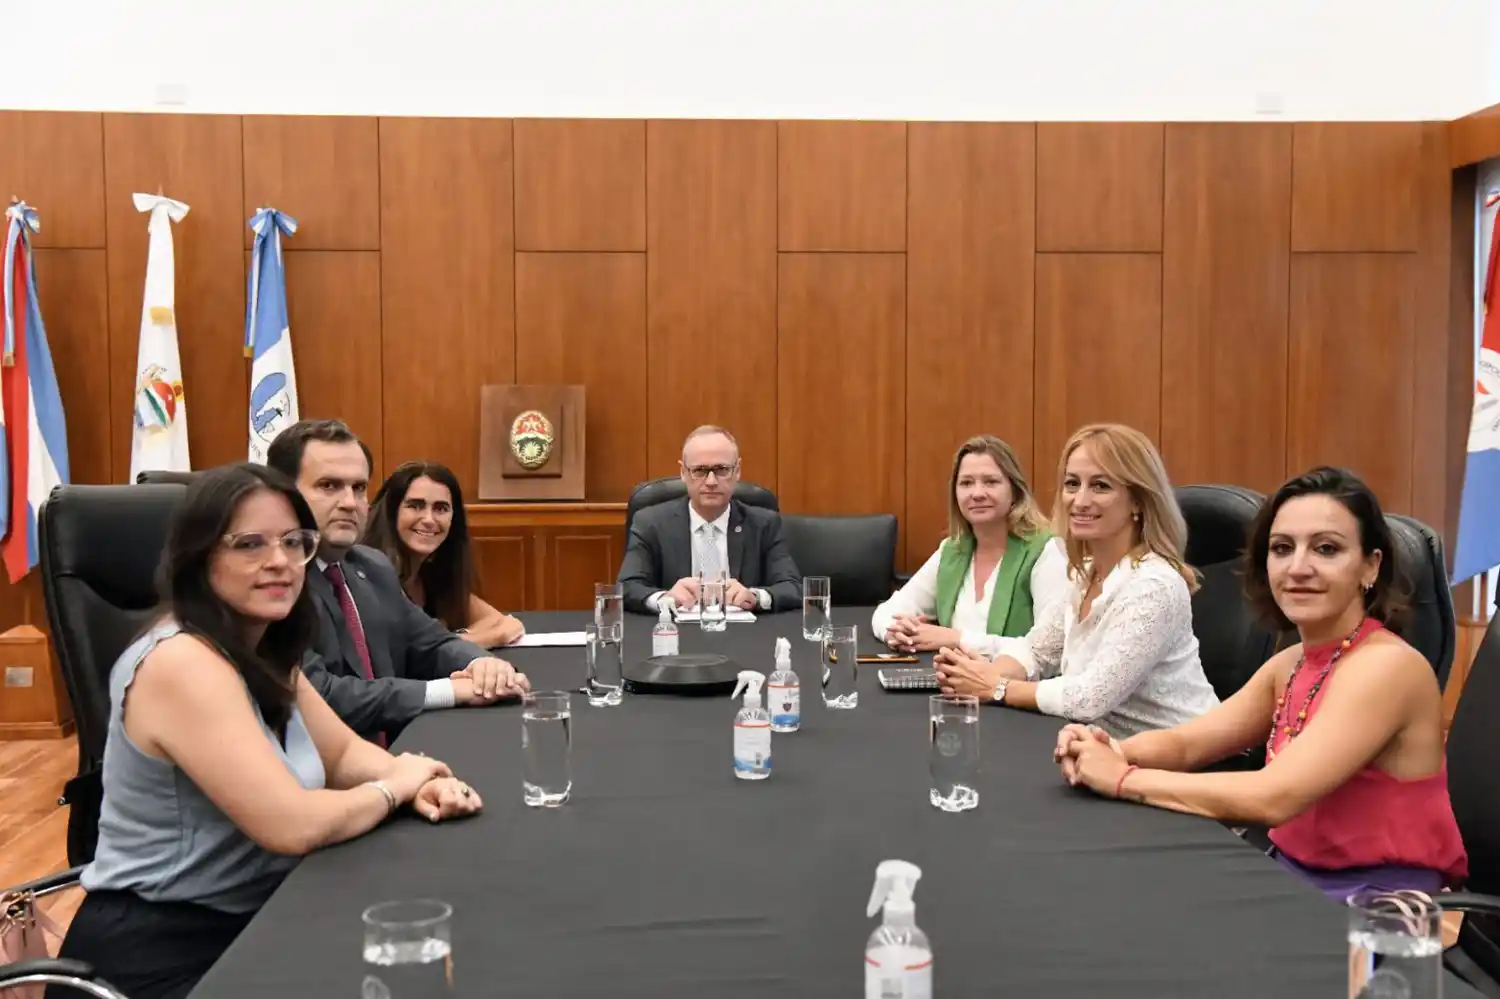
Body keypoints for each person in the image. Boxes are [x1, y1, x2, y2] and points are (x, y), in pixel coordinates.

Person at [53, 464, 483, 999]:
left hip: (259, 918)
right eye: (250, 544)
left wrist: (419, 782)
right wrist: (394, 787)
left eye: (293, 541)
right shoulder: (181, 661)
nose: (279, 561)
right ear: (199, 557)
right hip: (165, 953)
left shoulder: (264, 646)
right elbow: (292, 824)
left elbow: (342, 754)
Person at [1054, 467, 1468, 900]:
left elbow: (1274, 796)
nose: (1298, 567)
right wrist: (1110, 748)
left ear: (1371, 565)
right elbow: (1188, 744)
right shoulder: (1291, 662)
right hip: (1289, 874)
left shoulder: (1387, 668)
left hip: (1378, 905)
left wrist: (1122, 778)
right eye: (1282, 548)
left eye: (1326, 549)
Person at [934, 423, 1219, 737]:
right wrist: (980, 677)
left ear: (1138, 501)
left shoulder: (1154, 586)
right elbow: (1037, 650)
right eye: (1072, 484)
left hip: (1183, 756)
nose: (1080, 500)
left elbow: (1088, 698)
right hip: (1099, 746)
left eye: (1100, 486)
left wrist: (997, 687)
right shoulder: (1084, 573)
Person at [266, 420, 528, 742]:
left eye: (358, 488)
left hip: (398, 752)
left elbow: (432, 644)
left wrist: (483, 665)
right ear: (283, 495)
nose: (349, 502)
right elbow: (323, 696)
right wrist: (447, 690)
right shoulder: (274, 582)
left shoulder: (372, 566)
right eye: (329, 485)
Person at [872, 435, 1068, 657]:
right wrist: (896, 632)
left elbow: (1050, 650)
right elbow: (887, 612)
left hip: (1008, 679)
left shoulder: (1046, 550)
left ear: (1015, 492)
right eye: (966, 483)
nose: (977, 493)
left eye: (991, 482)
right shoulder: (952, 550)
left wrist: (957, 639)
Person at [617, 425, 801, 614]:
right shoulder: (651, 523)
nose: (711, 482)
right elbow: (627, 587)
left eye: (722, 469)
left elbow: (792, 587)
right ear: (683, 472)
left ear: (737, 471)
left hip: (744, 630)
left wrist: (755, 597)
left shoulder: (764, 524)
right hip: (676, 629)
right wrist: (665, 599)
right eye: (699, 470)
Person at [364, 460, 525, 648]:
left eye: (440, 508)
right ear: (392, 512)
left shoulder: (432, 572)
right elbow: (407, 653)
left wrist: (458, 640)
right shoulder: (371, 572)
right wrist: (492, 637)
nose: (429, 519)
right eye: (415, 506)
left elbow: (500, 621)